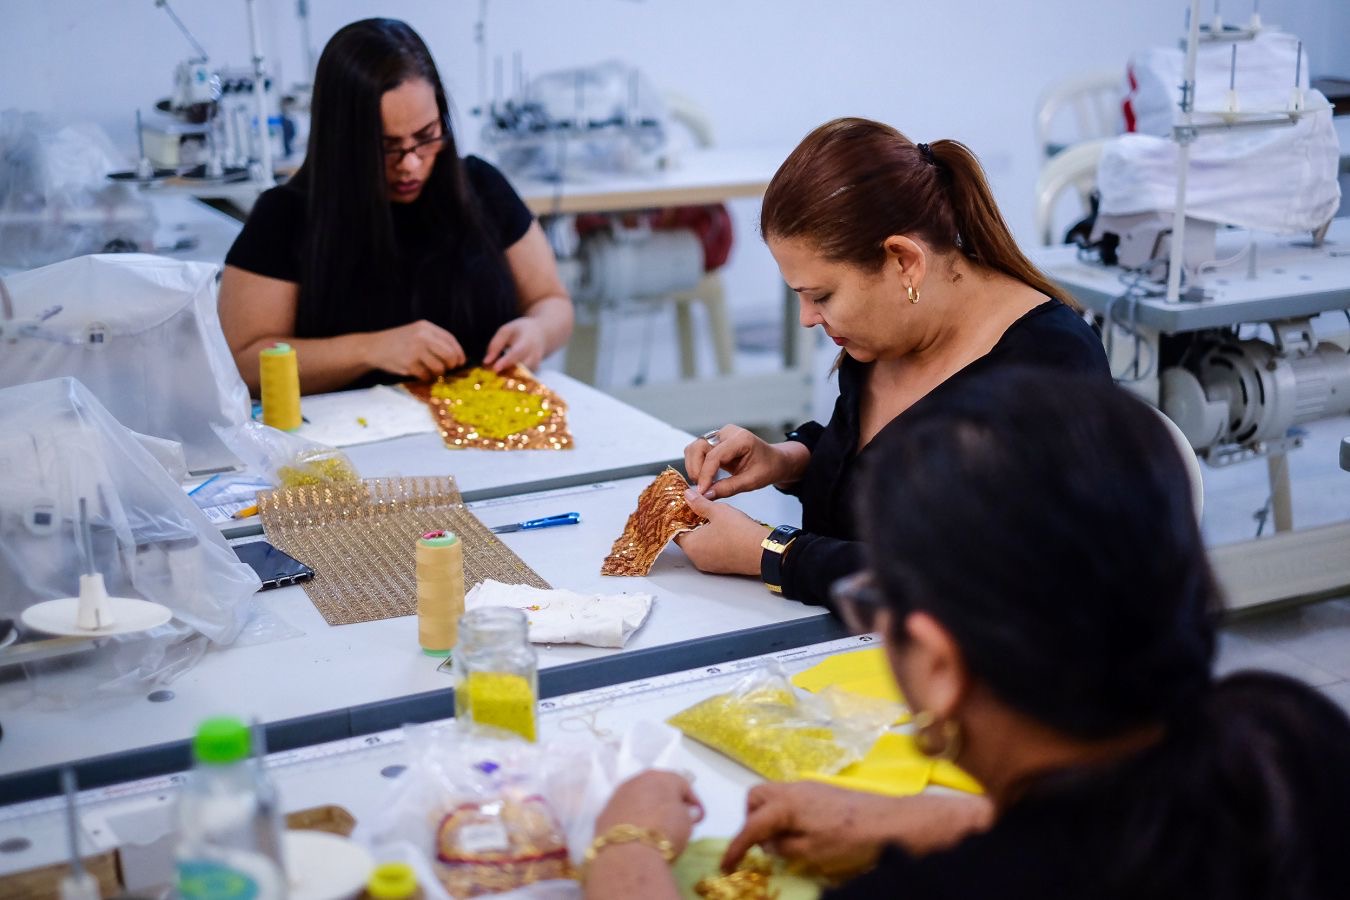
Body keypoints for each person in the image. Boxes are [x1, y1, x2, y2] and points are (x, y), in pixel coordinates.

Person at [584, 368, 1350, 899]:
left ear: (942, 667)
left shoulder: (940, 893)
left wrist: (627, 846)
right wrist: (947, 820)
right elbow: (1105, 828)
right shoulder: (1290, 735)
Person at [677, 118, 1109, 607]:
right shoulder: (887, 334)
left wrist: (770, 553)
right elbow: (879, 464)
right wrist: (787, 460)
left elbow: (979, 580)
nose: (807, 319)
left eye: (821, 295)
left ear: (904, 261)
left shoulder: (1049, 366)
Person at [218, 18, 572, 395]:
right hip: (352, 441)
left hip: (486, 432)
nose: (410, 164)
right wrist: (370, 350)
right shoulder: (285, 217)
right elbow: (242, 363)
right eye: (385, 147)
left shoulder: (482, 188)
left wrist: (537, 331)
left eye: (426, 137)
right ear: (341, 139)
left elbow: (551, 302)